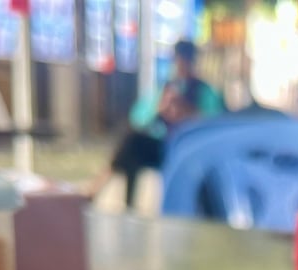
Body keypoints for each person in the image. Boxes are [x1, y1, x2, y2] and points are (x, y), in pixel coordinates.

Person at [88, 39, 223, 209]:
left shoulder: (206, 92)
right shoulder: (166, 89)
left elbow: (215, 125)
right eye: (179, 60)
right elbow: (137, 119)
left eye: (185, 60)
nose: (182, 65)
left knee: (129, 145)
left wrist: (186, 112)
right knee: (131, 143)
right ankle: (114, 197)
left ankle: (96, 189)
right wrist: (160, 109)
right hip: (163, 146)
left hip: (188, 149)